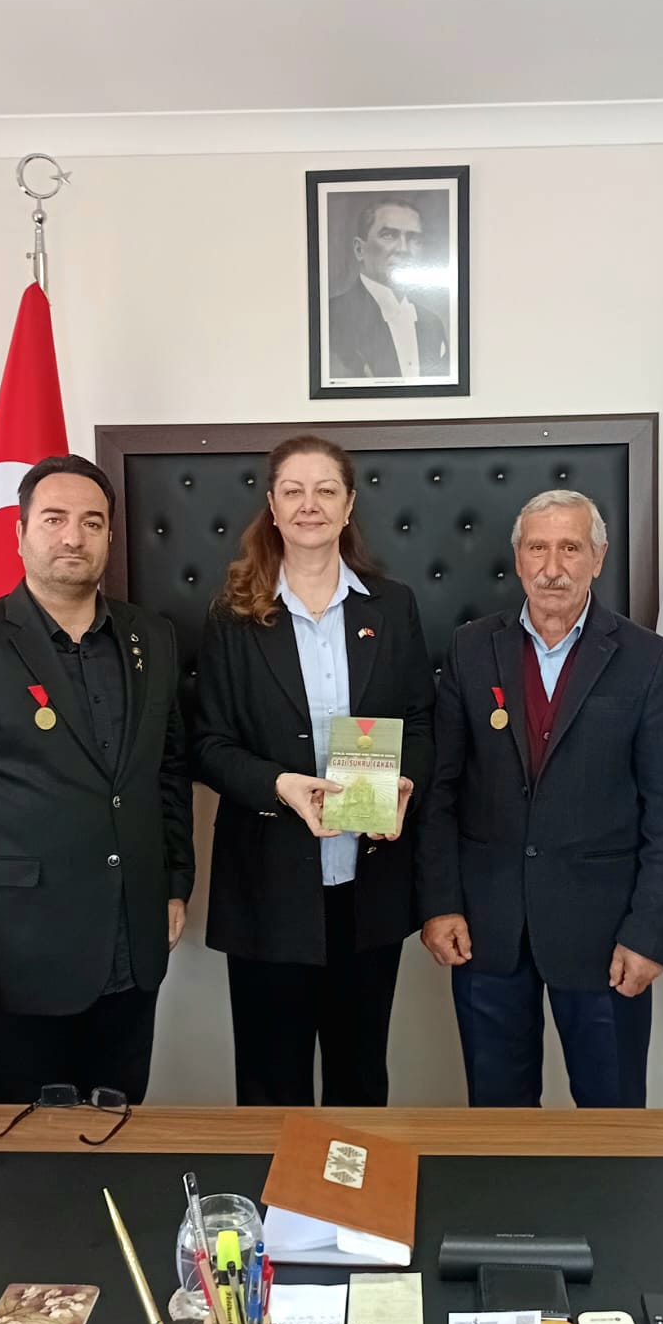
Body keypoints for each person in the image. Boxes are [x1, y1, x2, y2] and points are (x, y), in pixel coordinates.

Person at [0, 454, 194, 1105]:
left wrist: (175, 882)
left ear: (109, 536)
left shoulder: (153, 638)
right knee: (32, 1144)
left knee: (121, 1123)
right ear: (21, 532)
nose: (73, 537)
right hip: (19, 952)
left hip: (134, 942)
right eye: (54, 519)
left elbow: (167, 771)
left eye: (92, 522)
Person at [417, 489, 663, 1108]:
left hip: (606, 938)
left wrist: (650, 932)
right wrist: (439, 904)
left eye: (570, 548)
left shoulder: (648, 659)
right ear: (517, 558)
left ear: (598, 557)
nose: (552, 567)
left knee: (612, 1121)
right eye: (537, 548)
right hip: (486, 931)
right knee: (498, 1120)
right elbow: (442, 792)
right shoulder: (470, 649)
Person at [193, 434, 435, 1105]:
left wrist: (406, 782)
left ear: (349, 504)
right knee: (271, 1087)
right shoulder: (233, 615)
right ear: (272, 506)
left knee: (361, 1082)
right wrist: (279, 786)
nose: (310, 504)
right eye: (293, 491)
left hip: (368, 887)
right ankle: (281, 1184)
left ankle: (352, 1184)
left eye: (326, 490)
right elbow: (208, 744)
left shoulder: (392, 606)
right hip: (267, 890)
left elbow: (421, 721)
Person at [329, 197, 449, 379]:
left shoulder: (432, 323)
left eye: (414, 239)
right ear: (359, 249)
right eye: (389, 235)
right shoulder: (332, 317)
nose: (404, 249)